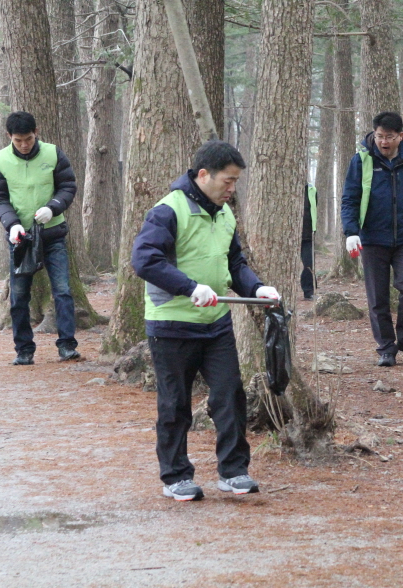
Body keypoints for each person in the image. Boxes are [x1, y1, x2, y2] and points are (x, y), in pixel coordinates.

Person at [132, 140, 281, 502]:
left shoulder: (225, 214)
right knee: (175, 403)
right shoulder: (168, 210)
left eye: (235, 183)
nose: (232, 189)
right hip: (171, 324)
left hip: (216, 323)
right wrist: (188, 287)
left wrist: (257, 289)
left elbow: (234, 264)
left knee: (230, 394)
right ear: (203, 175)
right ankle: (176, 476)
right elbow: (145, 260)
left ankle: (233, 471)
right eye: (228, 181)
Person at [341, 111, 403, 367]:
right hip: (372, 239)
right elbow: (350, 198)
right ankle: (386, 348)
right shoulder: (361, 160)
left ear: (401, 136)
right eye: (379, 136)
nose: (383, 142)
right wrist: (351, 231)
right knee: (378, 298)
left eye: (389, 137)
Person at [0, 111, 80, 365]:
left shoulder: (53, 153)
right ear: (9, 137)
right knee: (18, 295)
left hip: (52, 233)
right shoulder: (0, 160)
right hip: (20, 238)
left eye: (28, 138)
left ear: (36, 133)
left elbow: (68, 185)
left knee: (62, 290)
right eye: (18, 140)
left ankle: (66, 345)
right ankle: (24, 349)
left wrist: (53, 207)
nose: (24, 144)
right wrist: (12, 224)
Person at [301, 184, 317, 300]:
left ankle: (309, 292)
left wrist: (314, 229)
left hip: (307, 235)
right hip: (291, 235)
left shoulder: (312, 190)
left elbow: (314, 209)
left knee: (309, 264)